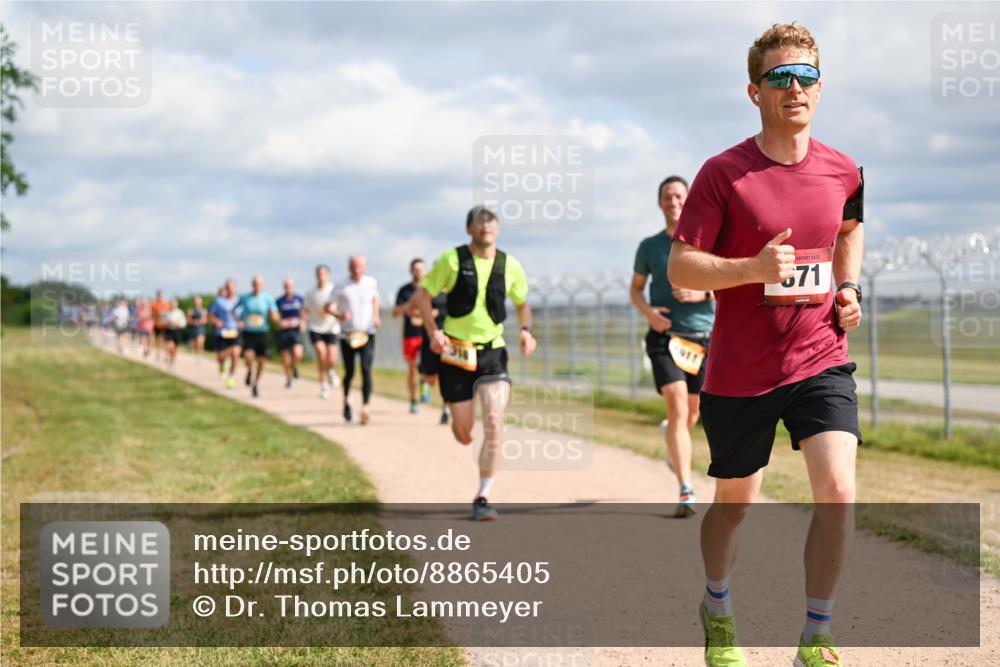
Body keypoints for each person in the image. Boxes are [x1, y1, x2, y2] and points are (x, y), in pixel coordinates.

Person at [667, 23, 864, 667]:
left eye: (805, 76)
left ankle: (817, 635)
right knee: (735, 504)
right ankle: (717, 609)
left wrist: (849, 286)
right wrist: (753, 269)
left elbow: (850, 228)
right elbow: (682, 269)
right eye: (780, 78)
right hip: (742, 372)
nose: (794, 88)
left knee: (837, 491)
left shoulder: (844, 168)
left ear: (820, 85)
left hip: (820, 356)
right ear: (754, 92)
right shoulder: (723, 174)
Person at [417, 205, 536, 521]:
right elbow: (423, 295)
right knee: (465, 433)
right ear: (469, 229)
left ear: (498, 229)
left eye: (491, 220)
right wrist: (434, 331)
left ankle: (483, 494)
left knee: (494, 422)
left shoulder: (510, 265)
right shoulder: (452, 260)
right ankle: (459, 425)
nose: (486, 225)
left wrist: (526, 331)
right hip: (455, 353)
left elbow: (523, 305)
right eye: (479, 221)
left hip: (492, 352)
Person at [631, 175, 715, 518]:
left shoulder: (709, 241)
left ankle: (672, 439)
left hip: (701, 338)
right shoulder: (649, 247)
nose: (674, 201)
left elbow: (729, 284)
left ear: (689, 199)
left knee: (691, 414)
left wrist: (703, 292)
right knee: (678, 406)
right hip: (665, 338)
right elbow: (635, 289)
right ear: (660, 202)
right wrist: (649, 313)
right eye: (667, 196)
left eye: (679, 195)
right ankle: (685, 488)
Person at [329, 256, 380, 424]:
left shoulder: (371, 282)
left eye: (359, 267)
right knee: (349, 371)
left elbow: (375, 298)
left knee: (366, 368)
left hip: (367, 333)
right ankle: (347, 400)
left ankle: (366, 406)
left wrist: (376, 315)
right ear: (349, 268)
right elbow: (328, 306)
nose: (357, 270)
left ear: (364, 268)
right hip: (348, 334)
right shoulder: (341, 284)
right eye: (353, 267)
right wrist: (339, 314)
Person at [393, 258, 431, 413]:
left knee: (428, 367)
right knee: (412, 367)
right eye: (415, 269)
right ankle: (413, 400)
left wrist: (419, 315)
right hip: (410, 335)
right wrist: (408, 307)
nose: (418, 272)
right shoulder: (404, 291)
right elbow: (396, 312)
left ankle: (425, 382)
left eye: (421, 269)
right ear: (411, 270)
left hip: (428, 333)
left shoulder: (431, 288)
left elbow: (437, 311)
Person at [236, 275, 280, 398]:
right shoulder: (245, 298)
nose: (257, 286)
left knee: (261, 361)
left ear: (263, 285)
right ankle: (250, 370)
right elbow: (234, 310)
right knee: (249, 356)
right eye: (255, 283)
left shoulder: (268, 298)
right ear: (252, 284)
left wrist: (276, 319)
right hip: (249, 331)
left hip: (262, 332)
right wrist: (238, 321)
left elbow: (274, 313)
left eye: (259, 284)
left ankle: (255, 384)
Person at [303, 264, 342, 399]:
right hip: (315, 327)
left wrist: (336, 314)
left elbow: (340, 308)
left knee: (331, 358)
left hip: (331, 327)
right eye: (319, 273)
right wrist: (303, 322)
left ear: (328, 275)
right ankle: (324, 385)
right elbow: (306, 310)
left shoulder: (334, 290)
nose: (321, 276)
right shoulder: (310, 292)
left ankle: (331, 370)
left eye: (323, 273)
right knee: (321, 354)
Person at [209, 280, 242, 389]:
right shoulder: (219, 301)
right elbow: (210, 315)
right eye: (228, 287)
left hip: (235, 331)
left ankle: (231, 377)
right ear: (225, 288)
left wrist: (242, 323)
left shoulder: (240, 301)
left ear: (235, 288)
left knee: (235, 353)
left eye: (232, 287)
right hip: (222, 331)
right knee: (221, 356)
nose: (230, 289)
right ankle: (222, 364)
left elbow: (243, 315)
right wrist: (216, 321)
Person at [276, 278, 306, 389]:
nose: (288, 288)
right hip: (284, 331)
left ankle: (295, 366)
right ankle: (288, 378)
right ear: (284, 287)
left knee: (298, 353)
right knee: (285, 359)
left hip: (295, 330)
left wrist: (303, 321)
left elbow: (305, 312)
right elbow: (275, 314)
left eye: (290, 286)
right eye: (286, 286)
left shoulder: (299, 299)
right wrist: (279, 321)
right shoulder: (279, 301)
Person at [163, 298, 187, 371]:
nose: (172, 305)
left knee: (174, 348)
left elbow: (183, 323)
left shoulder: (180, 313)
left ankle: (172, 360)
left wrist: (177, 323)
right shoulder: (167, 313)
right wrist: (168, 323)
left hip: (177, 331)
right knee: (169, 345)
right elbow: (163, 321)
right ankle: (168, 359)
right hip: (169, 331)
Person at [150, 290, 171, 363]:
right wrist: (157, 315)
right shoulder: (154, 304)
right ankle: (158, 354)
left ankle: (166, 355)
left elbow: (169, 313)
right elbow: (152, 315)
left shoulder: (167, 303)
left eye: (161, 294)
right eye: (158, 295)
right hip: (157, 324)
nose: (160, 296)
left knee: (166, 340)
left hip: (165, 325)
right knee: (158, 340)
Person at [187, 295, 208, 360]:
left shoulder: (204, 310)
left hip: (201, 328)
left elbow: (205, 320)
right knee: (195, 343)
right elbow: (188, 320)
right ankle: (196, 352)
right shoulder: (191, 310)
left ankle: (200, 354)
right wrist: (195, 322)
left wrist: (199, 321)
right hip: (193, 329)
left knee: (201, 341)